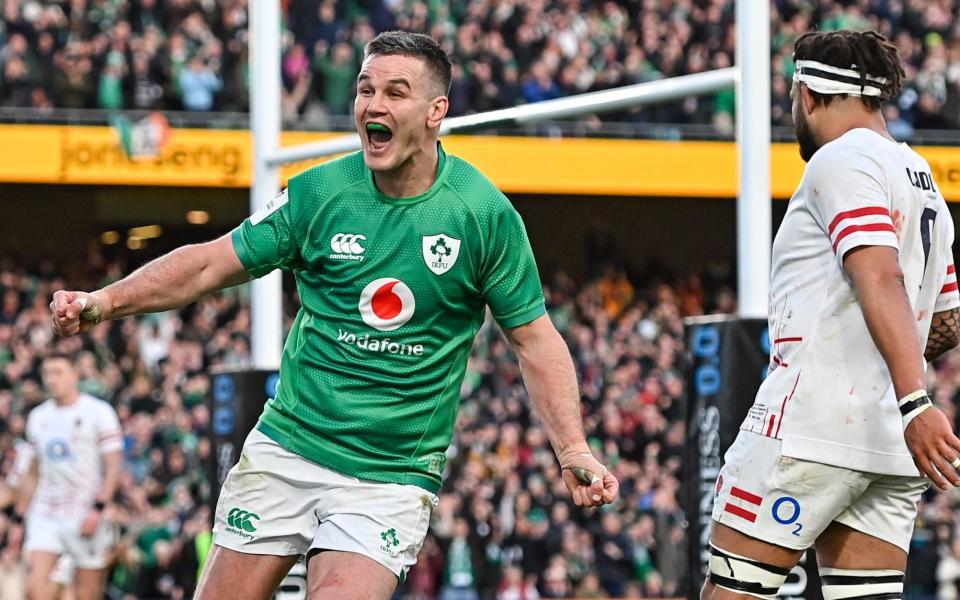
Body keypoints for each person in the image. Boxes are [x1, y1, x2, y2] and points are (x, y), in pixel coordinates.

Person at [49, 31, 619, 600]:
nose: (375, 104)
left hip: (391, 474)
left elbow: (535, 340)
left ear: (436, 112)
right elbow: (209, 264)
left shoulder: (482, 214)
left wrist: (572, 448)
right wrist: (104, 302)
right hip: (289, 444)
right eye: (366, 89)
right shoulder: (319, 193)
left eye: (397, 92)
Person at [701, 30, 960, 600]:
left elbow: (879, 273)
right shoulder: (925, 180)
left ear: (808, 94)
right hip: (886, 439)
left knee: (732, 593)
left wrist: (915, 399)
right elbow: (942, 321)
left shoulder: (838, 159)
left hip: (811, 425)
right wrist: (898, 384)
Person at [10, 353, 122, 600]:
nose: (51, 379)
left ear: (74, 375)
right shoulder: (38, 417)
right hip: (47, 514)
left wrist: (99, 506)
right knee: (34, 589)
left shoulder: (99, 412)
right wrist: (19, 519)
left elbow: (113, 464)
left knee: (86, 593)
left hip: (84, 511)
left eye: (58, 372)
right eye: (47, 373)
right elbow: (32, 471)